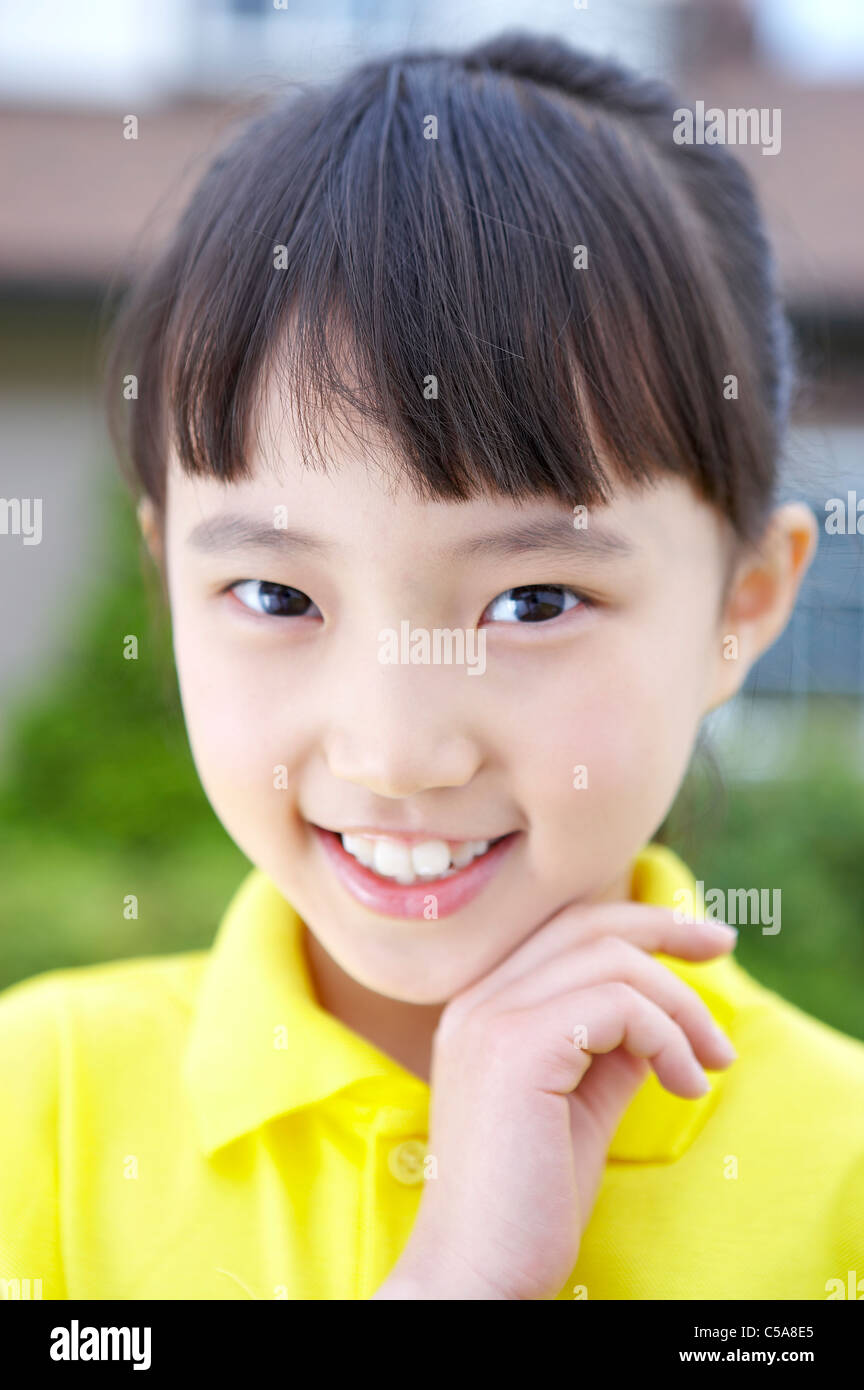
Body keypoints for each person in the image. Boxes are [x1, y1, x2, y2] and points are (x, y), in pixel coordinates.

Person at [2, 31, 861, 1302]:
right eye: (277, 594)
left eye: (534, 599)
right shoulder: (40, 1116)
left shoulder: (839, 1178)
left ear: (742, 607)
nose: (396, 750)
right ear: (168, 575)